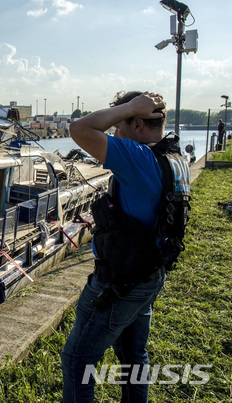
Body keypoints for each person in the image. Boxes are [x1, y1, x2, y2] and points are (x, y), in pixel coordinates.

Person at [61, 91, 190, 402]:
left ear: (135, 124)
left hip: (120, 281)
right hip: (149, 273)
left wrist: (127, 107)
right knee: (133, 356)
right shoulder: (174, 157)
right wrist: (128, 110)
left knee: (78, 359)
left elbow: (79, 129)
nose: (113, 132)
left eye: (118, 123)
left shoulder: (138, 158)